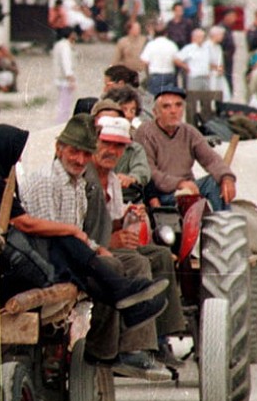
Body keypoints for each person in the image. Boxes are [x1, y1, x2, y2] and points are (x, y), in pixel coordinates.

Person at [0, 120, 168, 334]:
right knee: (65, 241)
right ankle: (124, 293)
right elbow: (25, 223)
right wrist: (72, 231)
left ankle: (127, 301)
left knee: (70, 251)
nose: (18, 160)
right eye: (16, 153)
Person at [18, 115, 170, 364]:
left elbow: (76, 232)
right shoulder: (46, 180)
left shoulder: (78, 184)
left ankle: (121, 327)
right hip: (43, 256)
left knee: (114, 261)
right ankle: (103, 346)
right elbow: (50, 231)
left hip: (68, 252)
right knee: (110, 265)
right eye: (74, 152)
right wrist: (93, 248)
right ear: (59, 149)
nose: (80, 160)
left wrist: (97, 248)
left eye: (86, 154)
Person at [85, 115, 187, 371]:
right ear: (94, 143)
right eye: (106, 143)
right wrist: (112, 239)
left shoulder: (112, 180)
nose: (112, 151)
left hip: (104, 243)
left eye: (119, 146)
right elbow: (80, 230)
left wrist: (126, 220)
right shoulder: (86, 178)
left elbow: (111, 222)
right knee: (138, 262)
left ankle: (161, 336)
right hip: (88, 249)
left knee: (160, 255)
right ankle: (133, 347)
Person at [134, 85, 236, 212]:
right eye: (166, 106)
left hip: (188, 190)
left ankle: (223, 219)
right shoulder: (145, 132)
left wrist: (226, 177)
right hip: (161, 195)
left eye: (178, 105)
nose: (173, 111)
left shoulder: (189, 131)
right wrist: (179, 183)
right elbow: (149, 171)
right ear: (155, 112)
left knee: (216, 181)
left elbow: (211, 159)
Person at [140, 24, 179, 96]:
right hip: (169, 75)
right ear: (166, 34)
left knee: (155, 98)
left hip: (155, 76)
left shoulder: (151, 45)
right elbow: (177, 60)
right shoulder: (171, 45)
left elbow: (144, 61)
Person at [53, 27, 79, 123]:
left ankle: (61, 121)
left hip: (60, 78)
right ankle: (61, 123)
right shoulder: (65, 46)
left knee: (63, 102)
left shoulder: (60, 44)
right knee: (65, 104)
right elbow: (66, 62)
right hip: (64, 80)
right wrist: (70, 78)